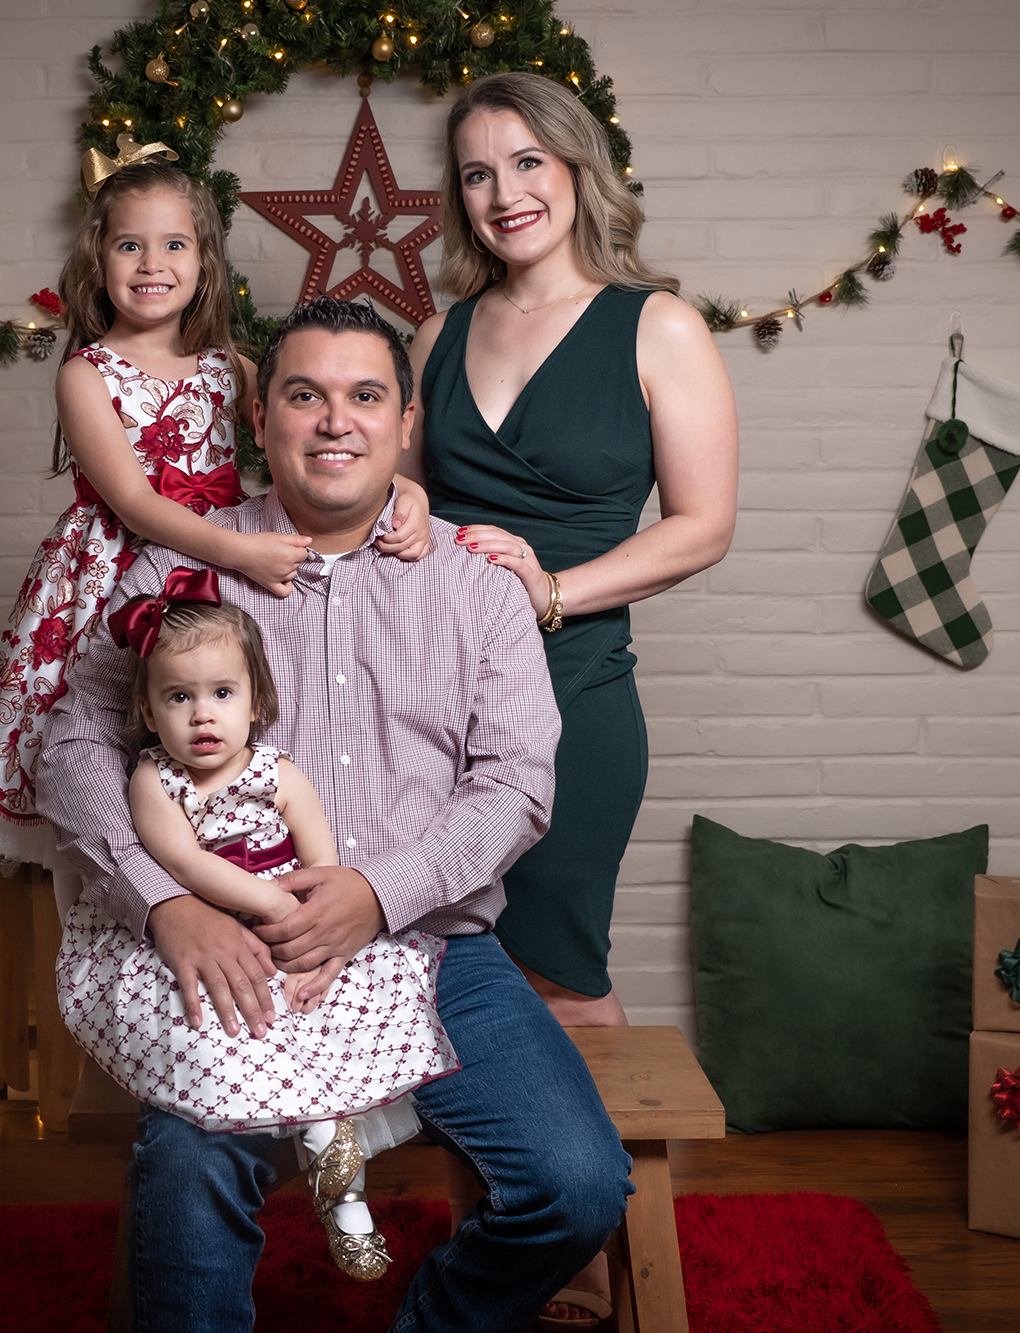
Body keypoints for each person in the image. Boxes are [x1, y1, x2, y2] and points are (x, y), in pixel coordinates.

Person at [38, 297, 632, 1332]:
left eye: (364, 397)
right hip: (238, 946)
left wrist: (375, 890)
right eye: (304, 396)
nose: (333, 422)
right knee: (185, 1174)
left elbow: (514, 784)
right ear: (262, 417)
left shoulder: (476, 583)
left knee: (576, 1184)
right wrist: (161, 905)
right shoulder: (182, 566)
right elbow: (72, 746)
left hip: (434, 947)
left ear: (405, 422)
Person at [404, 71, 740, 1326]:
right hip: (432, 710)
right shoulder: (439, 335)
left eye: (526, 163)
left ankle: (590, 1259)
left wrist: (556, 590)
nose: (504, 193)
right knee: (449, 976)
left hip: (575, 693)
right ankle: (498, 1260)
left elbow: (703, 526)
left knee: (556, 968)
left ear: (575, 168)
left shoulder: (656, 326)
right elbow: (398, 512)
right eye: (479, 172)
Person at [0, 161, 430, 867]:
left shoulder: (228, 365)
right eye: (129, 246)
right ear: (97, 260)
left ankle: (226, 865)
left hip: (211, 564)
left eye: (175, 245)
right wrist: (238, 552)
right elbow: (136, 503)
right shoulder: (87, 373)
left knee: (202, 727)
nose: (153, 264)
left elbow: (305, 427)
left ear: (205, 262)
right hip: (116, 565)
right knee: (105, 744)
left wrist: (410, 492)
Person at [58, 573, 457, 1281]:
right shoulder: (156, 780)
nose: (201, 714)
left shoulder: (278, 769)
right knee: (230, 1025)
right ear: (148, 712)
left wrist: (319, 918)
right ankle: (324, 1140)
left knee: (327, 1021)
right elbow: (183, 861)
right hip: (212, 925)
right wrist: (272, 906)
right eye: (178, 697)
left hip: (291, 916)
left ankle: (345, 1193)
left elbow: (321, 852)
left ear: (256, 703)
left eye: (221, 693)